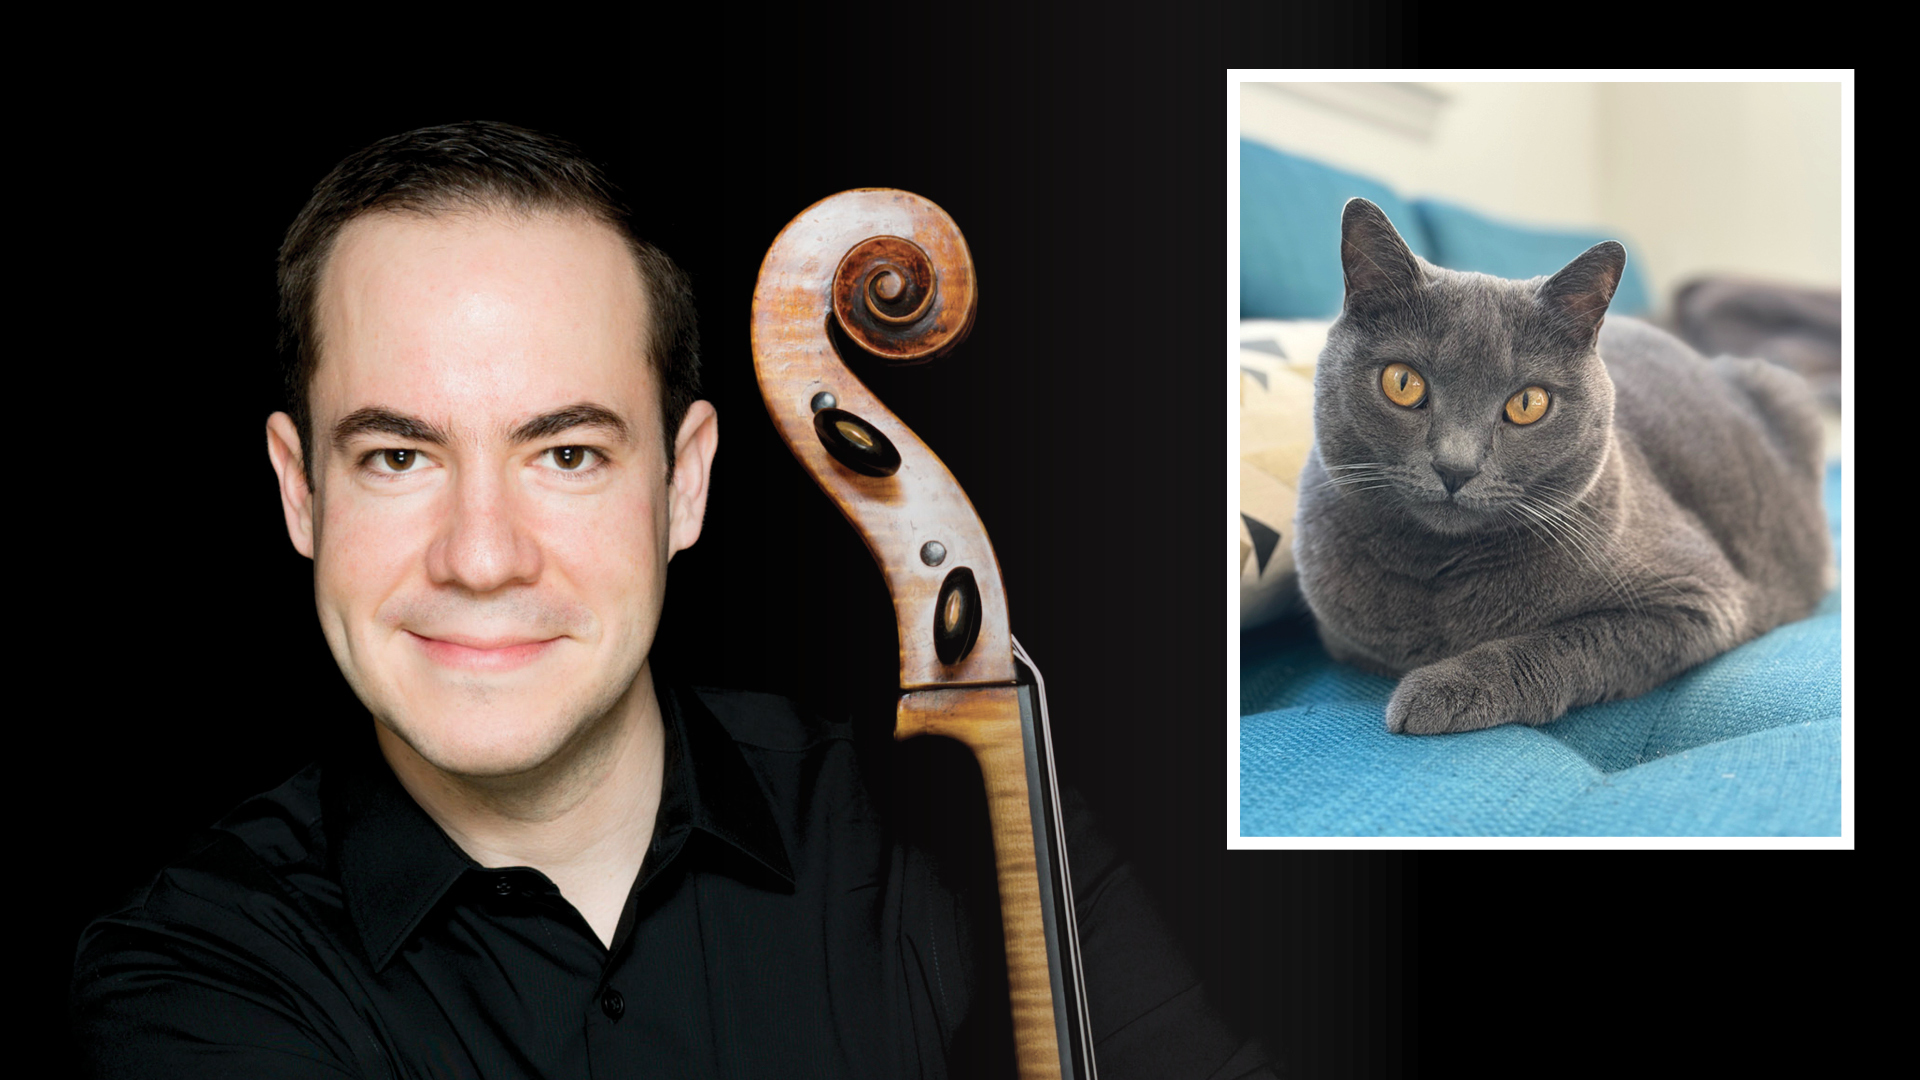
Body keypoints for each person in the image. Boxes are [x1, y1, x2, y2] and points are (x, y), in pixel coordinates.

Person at [71, 121, 1273, 1078]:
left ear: (683, 484)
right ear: (300, 493)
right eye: (398, 457)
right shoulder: (198, 972)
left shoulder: (965, 832)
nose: (481, 557)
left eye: (568, 454)